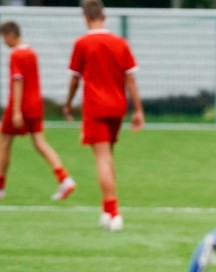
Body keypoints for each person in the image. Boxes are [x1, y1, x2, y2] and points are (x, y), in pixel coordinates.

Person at [63, 0, 144, 232]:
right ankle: (106, 211)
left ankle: (114, 211)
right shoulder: (120, 43)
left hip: (96, 107)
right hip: (117, 106)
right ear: (104, 16)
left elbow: (75, 79)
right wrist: (138, 109)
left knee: (102, 158)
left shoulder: (82, 43)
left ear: (85, 18)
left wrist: (68, 104)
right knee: (109, 156)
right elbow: (131, 78)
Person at [0, 21, 76, 202]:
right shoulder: (32, 53)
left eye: (4, 38)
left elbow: (18, 81)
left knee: (4, 143)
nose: (4, 42)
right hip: (35, 105)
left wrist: (17, 110)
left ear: (11, 35)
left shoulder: (16, 55)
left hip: (20, 105)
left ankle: (1, 187)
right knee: (40, 142)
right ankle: (64, 178)